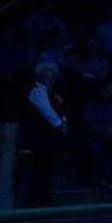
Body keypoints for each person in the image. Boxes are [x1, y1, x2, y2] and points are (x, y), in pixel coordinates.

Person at [22, 63, 68, 206]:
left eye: (52, 76)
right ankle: (37, 200)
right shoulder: (37, 91)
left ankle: (44, 199)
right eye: (47, 76)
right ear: (40, 77)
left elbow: (58, 111)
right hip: (41, 135)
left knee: (47, 167)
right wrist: (60, 125)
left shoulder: (51, 92)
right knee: (40, 167)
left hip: (50, 136)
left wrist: (63, 123)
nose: (51, 79)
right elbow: (46, 111)